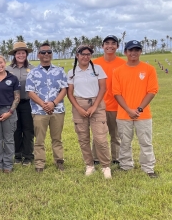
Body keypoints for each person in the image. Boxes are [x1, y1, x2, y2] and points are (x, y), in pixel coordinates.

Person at [112, 40, 159, 178]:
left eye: (137, 50)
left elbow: (152, 91)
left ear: (140, 52)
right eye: (131, 50)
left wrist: (139, 109)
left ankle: (148, 168)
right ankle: (126, 165)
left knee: (145, 142)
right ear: (125, 52)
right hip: (123, 114)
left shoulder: (149, 69)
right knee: (125, 142)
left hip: (143, 114)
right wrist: (128, 110)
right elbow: (116, 93)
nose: (134, 53)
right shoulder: (118, 71)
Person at [67, 45, 111, 179]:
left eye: (88, 54)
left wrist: (94, 107)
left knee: (100, 138)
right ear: (77, 55)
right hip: (79, 104)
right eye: (83, 54)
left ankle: (105, 166)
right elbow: (69, 93)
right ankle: (89, 165)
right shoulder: (72, 72)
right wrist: (79, 108)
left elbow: (103, 89)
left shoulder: (97, 69)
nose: (85, 56)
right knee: (83, 138)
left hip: (96, 104)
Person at [25, 42, 68, 172]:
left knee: (57, 138)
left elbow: (64, 89)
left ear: (51, 54)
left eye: (48, 52)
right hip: (39, 111)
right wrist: (43, 104)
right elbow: (30, 91)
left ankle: (59, 160)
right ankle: (39, 163)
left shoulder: (59, 71)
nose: (46, 54)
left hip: (57, 109)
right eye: (43, 52)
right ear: (38, 55)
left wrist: (53, 103)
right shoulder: (32, 73)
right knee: (39, 139)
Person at [92, 35, 126, 166]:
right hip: (99, 105)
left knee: (115, 135)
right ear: (102, 46)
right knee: (98, 135)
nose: (110, 46)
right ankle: (96, 158)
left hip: (116, 106)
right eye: (107, 43)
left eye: (113, 43)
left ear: (117, 46)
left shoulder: (123, 64)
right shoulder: (95, 63)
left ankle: (116, 158)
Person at [6, 41, 35, 166]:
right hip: (13, 104)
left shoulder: (33, 69)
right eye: (18, 53)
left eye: (23, 53)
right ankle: (17, 155)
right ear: (14, 54)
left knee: (28, 130)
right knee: (15, 130)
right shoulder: (8, 69)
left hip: (28, 103)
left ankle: (28, 156)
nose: (21, 55)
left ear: (26, 54)